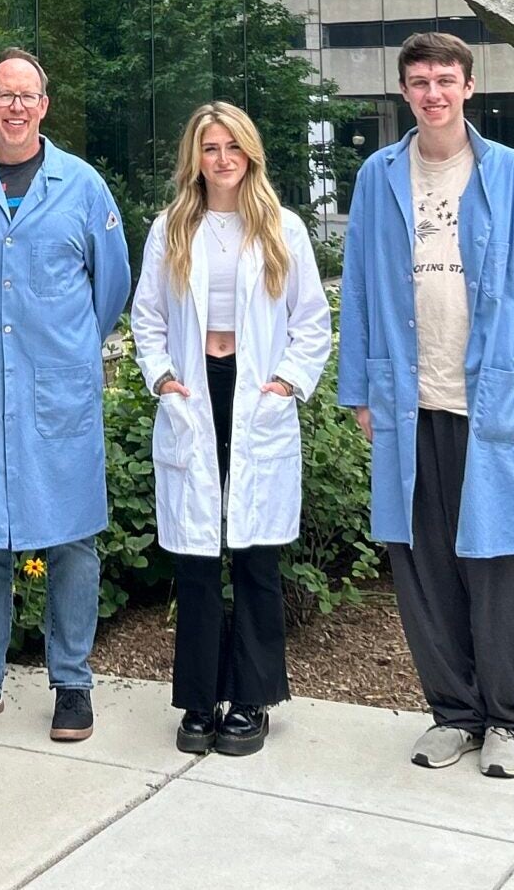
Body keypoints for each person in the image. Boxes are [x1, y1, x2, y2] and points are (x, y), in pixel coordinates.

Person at [337, 32, 514, 780]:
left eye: (445, 78)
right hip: (408, 401)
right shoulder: (378, 176)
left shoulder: (511, 176)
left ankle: (508, 720)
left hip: (492, 402)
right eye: (418, 81)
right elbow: (361, 289)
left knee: (499, 563)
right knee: (422, 565)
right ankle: (453, 712)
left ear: (470, 86)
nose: (432, 92)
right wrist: (359, 391)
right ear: (403, 92)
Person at [0, 48, 131, 743]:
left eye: (27, 95)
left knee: (72, 539)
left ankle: (73, 683)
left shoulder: (84, 186)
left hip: (57, 395)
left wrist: (61, 356)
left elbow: (112, 285)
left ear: (44, 106)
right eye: (3, 95)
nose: (14, 106)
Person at [130, 102, 331, 756]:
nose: (221, 159)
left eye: (232, 147)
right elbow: (148, 316)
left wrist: (286, 383)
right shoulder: (172, 228)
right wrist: (162, 378)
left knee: (254, 555)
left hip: (257, 395)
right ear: (196, 157)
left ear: (250, 153)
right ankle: (197, 700)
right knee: (194, 559)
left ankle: (251, 698)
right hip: (194, 390)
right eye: (209, 148)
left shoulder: (280, 227)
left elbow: (311, 321)